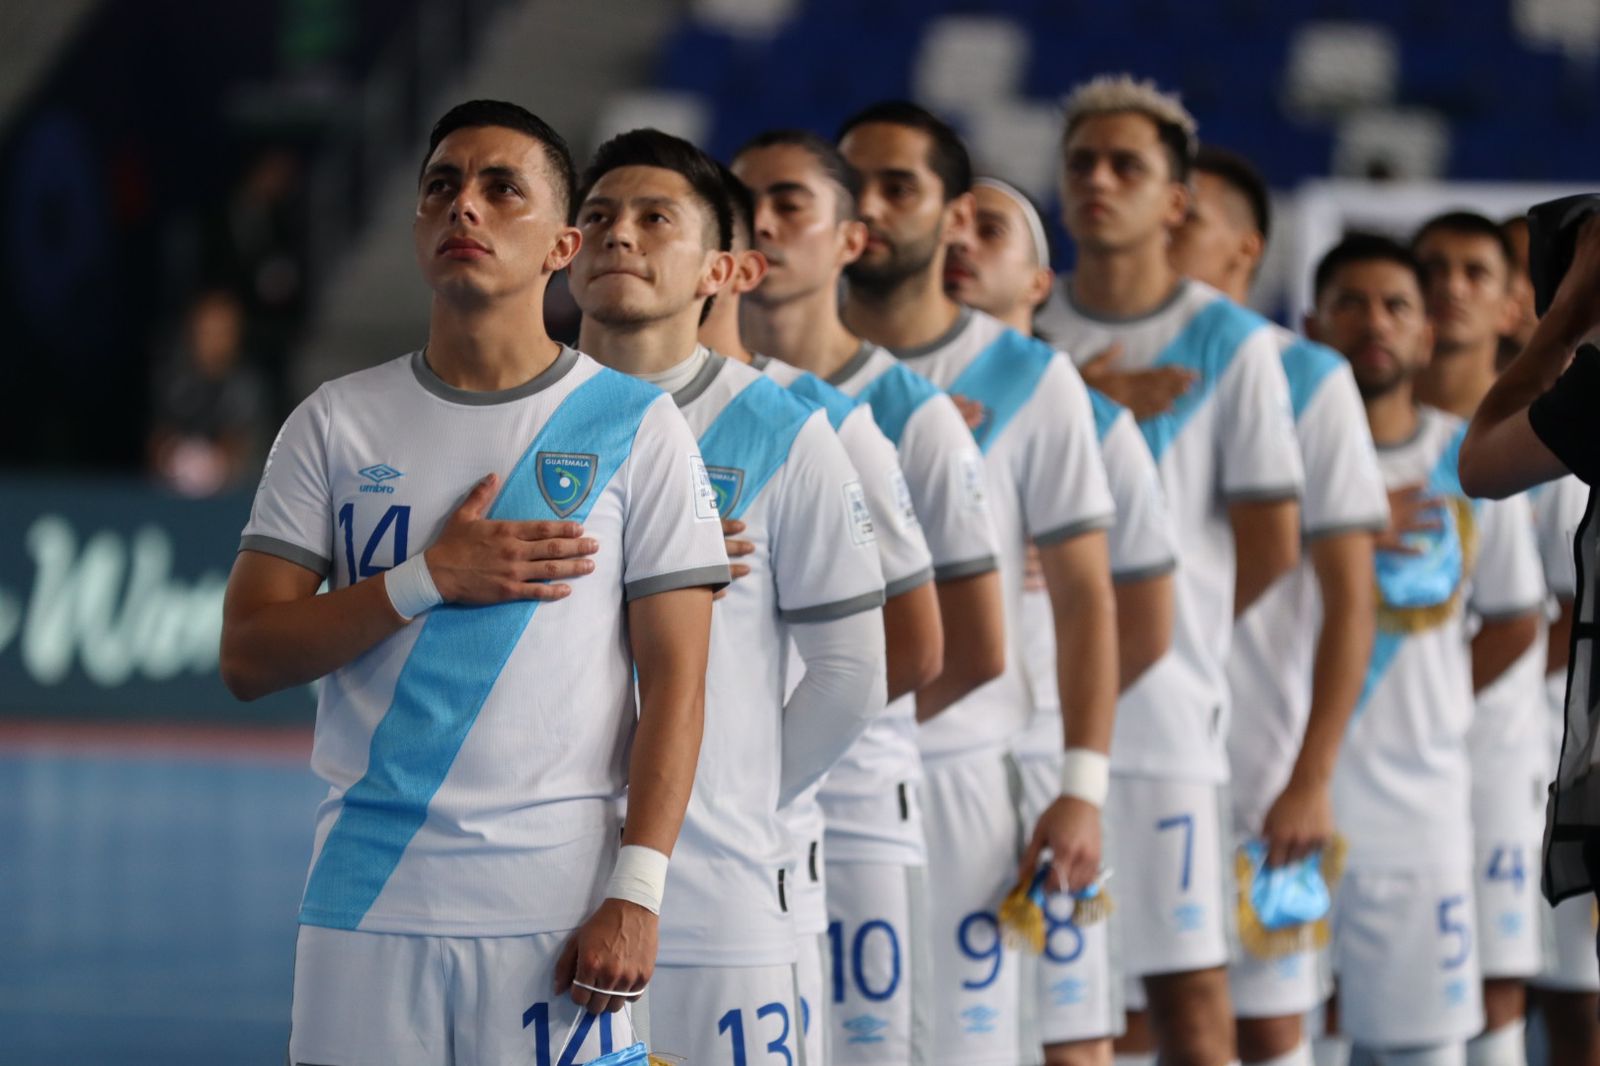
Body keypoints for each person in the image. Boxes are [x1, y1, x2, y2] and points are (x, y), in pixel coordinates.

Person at [220, 100, 731, 1063]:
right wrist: (423, 579)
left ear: (562, 246)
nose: (466, 207)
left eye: (503, 189)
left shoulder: (639, 427)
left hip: (558, 910)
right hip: (364, 904)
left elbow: (677, 685)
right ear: (416, 225)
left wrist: (639, 891)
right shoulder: (333, 423)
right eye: (443, 186)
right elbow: (248, 656)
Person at [567, 127, 889, 1066]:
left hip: (717, 898)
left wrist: (730, 800)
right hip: (530, 883)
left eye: (653, 218)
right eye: (595, 216)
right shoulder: (520, 418)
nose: (618, 235)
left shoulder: (787, 432)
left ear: (720, 269)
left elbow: (851, 675)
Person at [838, 99, 1121, 1066]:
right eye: (854, 184)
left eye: (899, 186)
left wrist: (1082, 784)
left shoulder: (1033, 378)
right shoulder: (783, 366)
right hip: (801, 780)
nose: (869, 207)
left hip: (962, 772)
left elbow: (1087, 597)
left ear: (955, 214)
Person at [1037, 76, 1306, 1066]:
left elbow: (1272, 543)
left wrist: (1173, 642)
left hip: (1166, 722)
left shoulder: (1232, 342)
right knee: (1062, 1005)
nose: (1097, 180)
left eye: (1126, 165)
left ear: (1177, 199)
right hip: (1039, 717)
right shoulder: (1025, 336)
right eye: (1080, 163)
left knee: (1189, 993)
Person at [732, 127, 1009, 1066]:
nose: (762, 224)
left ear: (850, 240)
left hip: (849, 811)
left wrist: (833, 729)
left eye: (789, 205)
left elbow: (960, 650)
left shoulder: (912, 416)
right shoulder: (695, 403)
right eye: (744, 205)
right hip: (729, 808)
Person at [701, 160, 943, 1066]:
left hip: (818, 809)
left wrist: (744, 780)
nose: (764, 221)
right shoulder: (596, 414)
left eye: (787, 203)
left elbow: (913, 651)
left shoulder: (833, 421)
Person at [946, 174, 1180, 1066]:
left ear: (1040, 286)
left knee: (1069, 1039)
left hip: (1046, 769)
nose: (962, 243)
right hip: (931, 767)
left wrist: (1066, 735)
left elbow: (1147, 623)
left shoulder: (1093, 418)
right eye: (953, 226)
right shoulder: (869, 404)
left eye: (993, 230)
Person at [1166, 146, 1388, 1066]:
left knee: (1265, 1026)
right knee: (1138, 1012)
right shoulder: (1075, 365)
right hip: (1134, 753)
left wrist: (1312, 774)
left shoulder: (1309, 378)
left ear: (1244, 251)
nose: (1158, 229)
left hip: (1261, 762)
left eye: (1187, 220)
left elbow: (1350, 601)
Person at [1307, 234, 1543, 1066]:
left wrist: (1436, 706)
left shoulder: (1466, 461)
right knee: (1289, 1043)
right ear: (1311, 325)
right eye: (1350, 303)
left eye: (1396, 305)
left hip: (1420, 816)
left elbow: (1518, 618)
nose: (1373, 321)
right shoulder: (1271, 456)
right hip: (1284, 803)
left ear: (1423, 334)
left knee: (1425, 1051)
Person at [1411, 212, 1547, 1066]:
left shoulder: (1550, 444)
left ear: (1510, 306)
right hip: (1382, 763)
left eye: (1474, 271)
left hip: (1505, 749)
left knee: (1502, 976)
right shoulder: (1353, 433)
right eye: (1432, 268)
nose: (1451, 287)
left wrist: (1426, 695)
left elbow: (1553, 615)